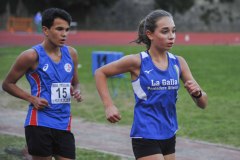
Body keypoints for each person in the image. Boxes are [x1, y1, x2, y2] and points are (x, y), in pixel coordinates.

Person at [94, 9, 208, 160]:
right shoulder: (137, 61)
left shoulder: (178, 62)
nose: (171, 36)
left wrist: (197, 93)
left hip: (169, 133)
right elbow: (100, 73)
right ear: (150, 34)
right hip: (145, 134)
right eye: (165, 31)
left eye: (174, 31)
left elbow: (203, 104)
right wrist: (109, 105)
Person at [2, 8, 82, 160]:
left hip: (64, 122)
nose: (64, 34)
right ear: (45, 30)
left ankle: (27, 154)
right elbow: (7, 84)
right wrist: (32, 99)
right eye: (59, 29)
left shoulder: (71, 54)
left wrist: (76, 91)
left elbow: (76, 83)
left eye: (67, 30)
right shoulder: (31, 56)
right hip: (39, 122)